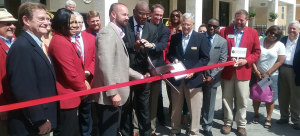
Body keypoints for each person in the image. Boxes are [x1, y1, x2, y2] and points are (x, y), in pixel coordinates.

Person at [92, 3, 143, 135]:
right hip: (109, 97)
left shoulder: (116, 33)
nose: (127, 17)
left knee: (114, 130)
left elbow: (120, 66)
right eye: (124, 14)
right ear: (113, 15)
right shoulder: (107, 33)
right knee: (108, 132)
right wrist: (113, 92)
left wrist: (141, 77)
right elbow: (106, 65)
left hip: (115, 95)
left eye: (127, 14)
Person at [6, 2, 57, 136]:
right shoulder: (22, 47)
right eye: (41, 19)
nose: (47, 22)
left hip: (44, 119)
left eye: (47, 19)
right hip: (32, 125)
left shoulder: (37, 44)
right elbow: (23, 89)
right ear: (26, 20)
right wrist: (39, 120)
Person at [49, 8, 90, 136]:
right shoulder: (60, 42)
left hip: (72, 96)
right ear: (62, 23)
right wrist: (84, 88)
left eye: (76, 22)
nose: (75, 25)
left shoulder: (65, 40)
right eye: (71, 22)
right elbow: (70, 74)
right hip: (66, 99)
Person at [219, 9, 261, 136]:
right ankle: (227, 123)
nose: (239, 22)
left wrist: (246, 61)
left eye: (241, 20)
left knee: (242, 99)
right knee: (227, 98)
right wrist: (228, 59)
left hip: (244, 71)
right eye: (237, 19)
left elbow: (257, 52)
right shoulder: (225, 31)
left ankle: (241, 125)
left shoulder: (253, 33)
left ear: (246, 20)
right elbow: (220, 49)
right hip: (228, 70)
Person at [167, 13, 210, 136]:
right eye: (184, 24)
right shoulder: (175, 37)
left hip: (194, 79)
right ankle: (175, 130)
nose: (186, 27)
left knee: (195, 109)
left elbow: (205, 58)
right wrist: (173, 59)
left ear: (193, 24)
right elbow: (170, 54)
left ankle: (194, 132)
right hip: (178, 79)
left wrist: (194, 71)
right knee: (176, 107)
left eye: (188, 24)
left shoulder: (200, 38)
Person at [120, 1, 157, 136]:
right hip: (126, 71)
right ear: (135, 12)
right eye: (141, 13)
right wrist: (133, 46)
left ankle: (145, 132)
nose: (144, 17)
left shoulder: (152, 29)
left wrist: (149, 70)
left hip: (144, 73)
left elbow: (153, 54)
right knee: (126, 106)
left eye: (147, 14)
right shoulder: (124, 25)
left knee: (143, 107)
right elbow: (120, 45)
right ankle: (126, 132)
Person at [251, 25, 285, 128]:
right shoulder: (259, 41)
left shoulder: (280, 45)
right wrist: (256, 70)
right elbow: (252, 55)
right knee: (256, 96)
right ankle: (256, 114)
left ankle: (268, 118)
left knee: (270, 98)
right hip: (257, 74)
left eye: (276, 34)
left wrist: (268, 73)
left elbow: (280, 61)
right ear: (268, 31)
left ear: (279, 36)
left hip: (271, 76)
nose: (272, 35)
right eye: (271, 32)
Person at [201, 18, 227, 136]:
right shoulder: (199, 37)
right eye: (210, 25)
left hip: (212, 77)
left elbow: (222, 61)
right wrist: (199, 74)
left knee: (209, 103)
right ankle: (194, 122)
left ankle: (207, 126)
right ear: (207, 25)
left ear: (218, 28)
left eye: (214, 26)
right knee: (194, 101)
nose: (211, 28)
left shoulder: (222, 41)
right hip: (197, 76)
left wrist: (211, 75)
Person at [148, 4, 170, 135]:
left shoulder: (165, 29)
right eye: (156, 14)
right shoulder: (144, 25)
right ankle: (136, 128)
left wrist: (151, 45)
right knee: (140, 97)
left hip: (156, 66)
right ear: (151, 13)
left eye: (161, 15)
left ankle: (152, 128)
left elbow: (162, 45)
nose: (158, 17)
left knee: (154, 98)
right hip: (140, 66)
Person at [73, 11, 95, 136]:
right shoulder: (65, 39)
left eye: (80, 22)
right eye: (75, 22)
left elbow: (94, 58)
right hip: (71, 82)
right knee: (72, 116)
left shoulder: (90, 38)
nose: (78, 25)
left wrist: (88, 72)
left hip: (87, 81)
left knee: (86, 114)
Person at [277, 21, 300, 130]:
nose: (291, 30)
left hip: (296, 72)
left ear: (299, 30)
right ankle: (284, 117)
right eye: (290, 28)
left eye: (294, 29)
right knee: (283, 95)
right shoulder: (283, 40)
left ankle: (296, 120)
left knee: (296, 97)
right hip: (282, 69)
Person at [0, 8, 17, 136]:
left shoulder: (15, 41)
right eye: (7, 23)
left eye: (13, 23)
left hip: (18, 101)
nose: (12, 26)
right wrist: (2, 106)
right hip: (5, 102)